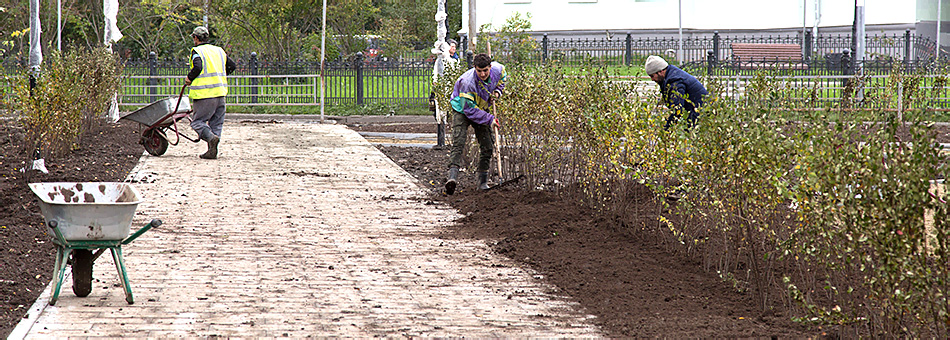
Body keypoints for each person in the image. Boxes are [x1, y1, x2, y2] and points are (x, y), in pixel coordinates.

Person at [444, 53, 505, 194]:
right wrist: (490, 119)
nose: (483, 74)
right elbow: (469, 110)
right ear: (474, 68)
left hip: (481, 107)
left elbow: (503, 79)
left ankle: (482, 183)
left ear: (490, 67)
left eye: (485, 70)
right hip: (462, 109)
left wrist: (497, 92)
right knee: (459, 142)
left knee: (488, 145)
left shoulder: (498, 69)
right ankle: (452, 179)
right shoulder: (467, 82)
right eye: (479, 71)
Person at [184, 26, 236, 159]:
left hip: (205, 95)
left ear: (196, 38)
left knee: (197, 122)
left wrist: (189, 78)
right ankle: (212, 151)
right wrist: (221, 76)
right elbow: (232, 66)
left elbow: (198, 66)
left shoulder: (197, 51)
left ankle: (211, 139)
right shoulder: (219, 51)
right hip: (220, 93)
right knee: (216, 123)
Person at [645, 55, 707, 130]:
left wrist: (666, 130)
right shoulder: (671, 74)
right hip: (697, 113)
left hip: (701, 116)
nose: (652, 79)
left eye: (652, 76)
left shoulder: (675, 82)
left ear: (661, 71)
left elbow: (677, 109)